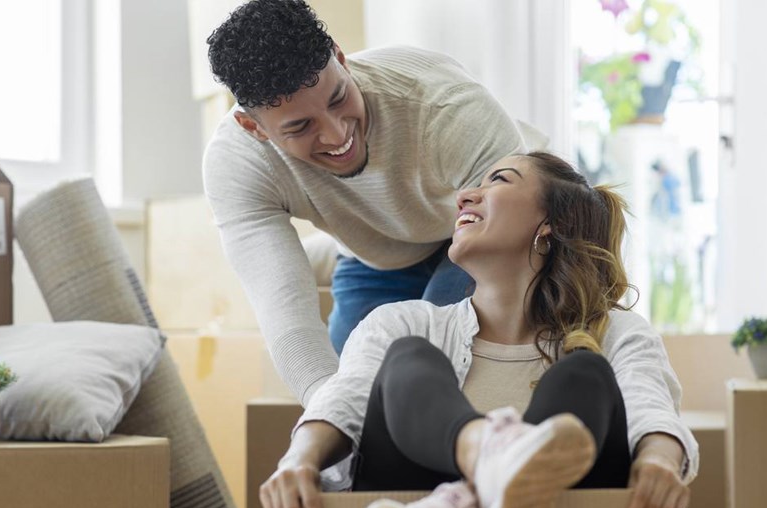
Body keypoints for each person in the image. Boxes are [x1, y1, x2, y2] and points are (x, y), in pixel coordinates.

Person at [258, 151, 701, 508]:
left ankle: (467, 506)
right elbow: (349, 392)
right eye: (472, 185)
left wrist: (661, 462)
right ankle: (484, 457)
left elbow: (650, 403)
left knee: (584, 370)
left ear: (549, 226)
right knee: (407, 358)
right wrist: (299, 459)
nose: (466, 196)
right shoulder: (405, 322)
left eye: (499, 181)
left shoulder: (616, 333)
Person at [204, 0, 546, 406]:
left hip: (485, 231)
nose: (336, 135)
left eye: (338, 98)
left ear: (341, 59)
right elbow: (287, 316)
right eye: (300, 126)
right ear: (253, 128)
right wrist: (330, 420)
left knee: (436, 366)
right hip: (376, 254)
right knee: (356, 384)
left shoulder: (446, 105)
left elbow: (513, 236)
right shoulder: (237, 165)